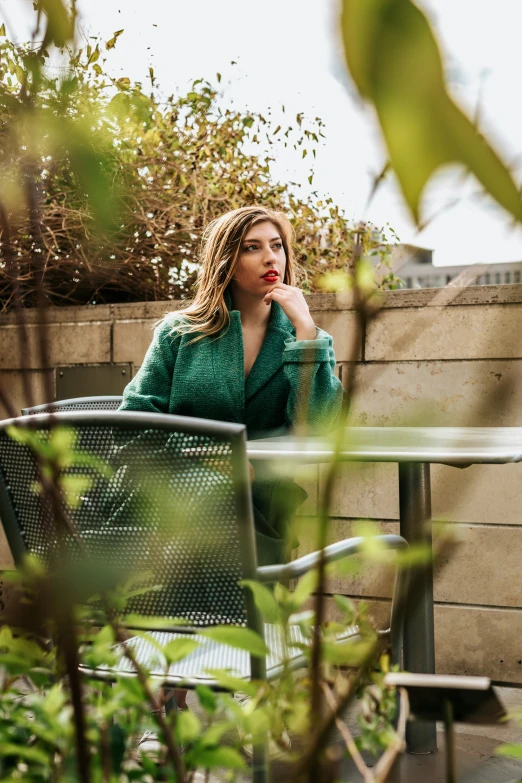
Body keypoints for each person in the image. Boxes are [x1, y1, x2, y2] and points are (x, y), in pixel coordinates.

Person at [118, 205, 344, 741]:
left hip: (260, 498)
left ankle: (170, 687)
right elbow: (134, 418)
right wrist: (202, 455)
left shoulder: (304, 337)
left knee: (229, 517)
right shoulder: (181, 333)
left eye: (278, 246)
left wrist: (308, 333)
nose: (271, 257)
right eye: (252, 246)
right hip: (175, 495)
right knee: (209, 514)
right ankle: (246, 680)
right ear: (226, 259)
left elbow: (319, 428)